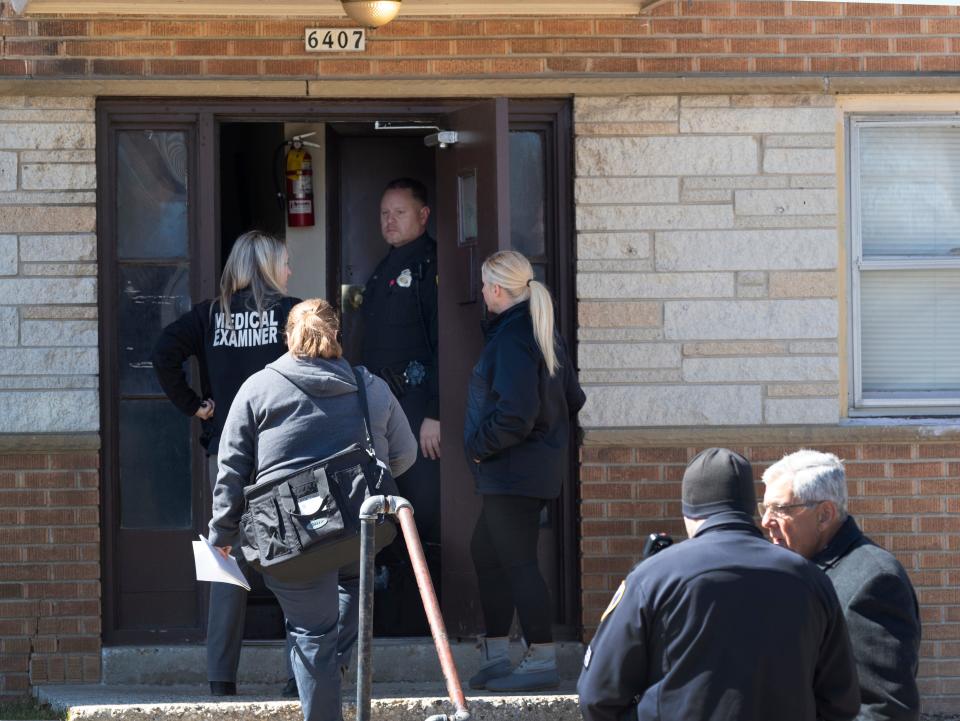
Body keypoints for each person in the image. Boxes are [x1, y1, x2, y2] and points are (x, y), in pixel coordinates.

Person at [209, 298, 417, 721]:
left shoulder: (257, 388)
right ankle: (324, 669)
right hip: (357, 529)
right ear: (336, 335)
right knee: (348, 592)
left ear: (287, 337)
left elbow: (230, 472)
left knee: (313, 635)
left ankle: (320, 680)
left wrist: (221, 537)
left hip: (289, 540)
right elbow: (406, 455)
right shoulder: (369, 386)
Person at [578, 447, 860, 721]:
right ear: (749, 508)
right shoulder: (810, 579)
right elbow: (841, 701)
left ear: (689, 511)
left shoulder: (652, 577)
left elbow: (598, 696)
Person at [152, 230, 300, 696]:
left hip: (228, 455)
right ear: (266, 267)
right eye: (284, 262)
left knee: (226, 558)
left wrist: (195, 405)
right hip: (281, 453)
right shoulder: (290, 314)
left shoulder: (210, 315)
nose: (290, 271)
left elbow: (162, 353)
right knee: (296, 559)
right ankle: (302, 675)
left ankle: (220, 680)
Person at [464, 250, 586, 693]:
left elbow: (516, 414)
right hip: (530, 470)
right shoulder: (541, 332)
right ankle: (497, 653)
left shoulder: (514, 338)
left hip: (511, 470)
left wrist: (479, 448)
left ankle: (540, 657)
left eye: (483, 285)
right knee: (486, 550)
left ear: (496, 290)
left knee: (517, 562)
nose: (480, 293)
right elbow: (573, 399)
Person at [761, 449, 921, 721]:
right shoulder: (801, 567)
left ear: (824, 514)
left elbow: (885, 710)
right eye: (764, 509)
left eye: (780, 509)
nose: (766, 522)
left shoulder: (875, 581)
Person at [360, 177, 440, 634]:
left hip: (415, 407)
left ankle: (418, 618)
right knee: (383, 501)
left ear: (423, 215)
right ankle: (390, 609)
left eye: (400, 213)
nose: (389, 221)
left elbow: (441, 341)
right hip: (382, 406)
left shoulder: (429, 266)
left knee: (419, 507)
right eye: (384, 214)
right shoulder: (386, 265)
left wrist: (436, 410)